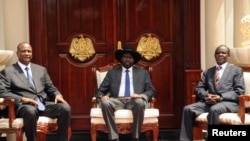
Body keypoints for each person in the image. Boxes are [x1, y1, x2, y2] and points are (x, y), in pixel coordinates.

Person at [0, 42, 71, 141]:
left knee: (65, 108)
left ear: (32, 53)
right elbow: (2, 92)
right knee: (31, 111)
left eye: (29, 51)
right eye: (23, 51)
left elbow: (50, 87)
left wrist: (57, 94)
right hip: (23, 107)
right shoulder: (8, 71)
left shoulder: (41, 70)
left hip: (42, 104)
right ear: (17, 54)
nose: (26, 53)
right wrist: (22, 99)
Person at [179, 45, 245, 141]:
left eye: (223, 52)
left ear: (228, 56)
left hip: (229, 103)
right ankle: (185, 139)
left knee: (214, 109)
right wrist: (206, 96)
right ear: (215, 56)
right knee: (187, 109)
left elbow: (239, 91)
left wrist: (220, 97)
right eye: (218, 53)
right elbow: (199, 88)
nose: (220, 55)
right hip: (209, 102)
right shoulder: (208, 71)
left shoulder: (236, 71)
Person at [95, 45, 156, 141]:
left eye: (130, 57)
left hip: (133, 101)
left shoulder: (142, 73)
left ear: (134, 60)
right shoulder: (112, 73)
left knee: (140, 102)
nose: (127, 59)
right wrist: (102, 97)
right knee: (106, 103)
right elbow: (100, 90)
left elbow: (151, 90)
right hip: (117, 101)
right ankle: (114, 137)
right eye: (125, 57)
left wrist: (141, 96)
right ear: (121, 59)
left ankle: (135, 137)